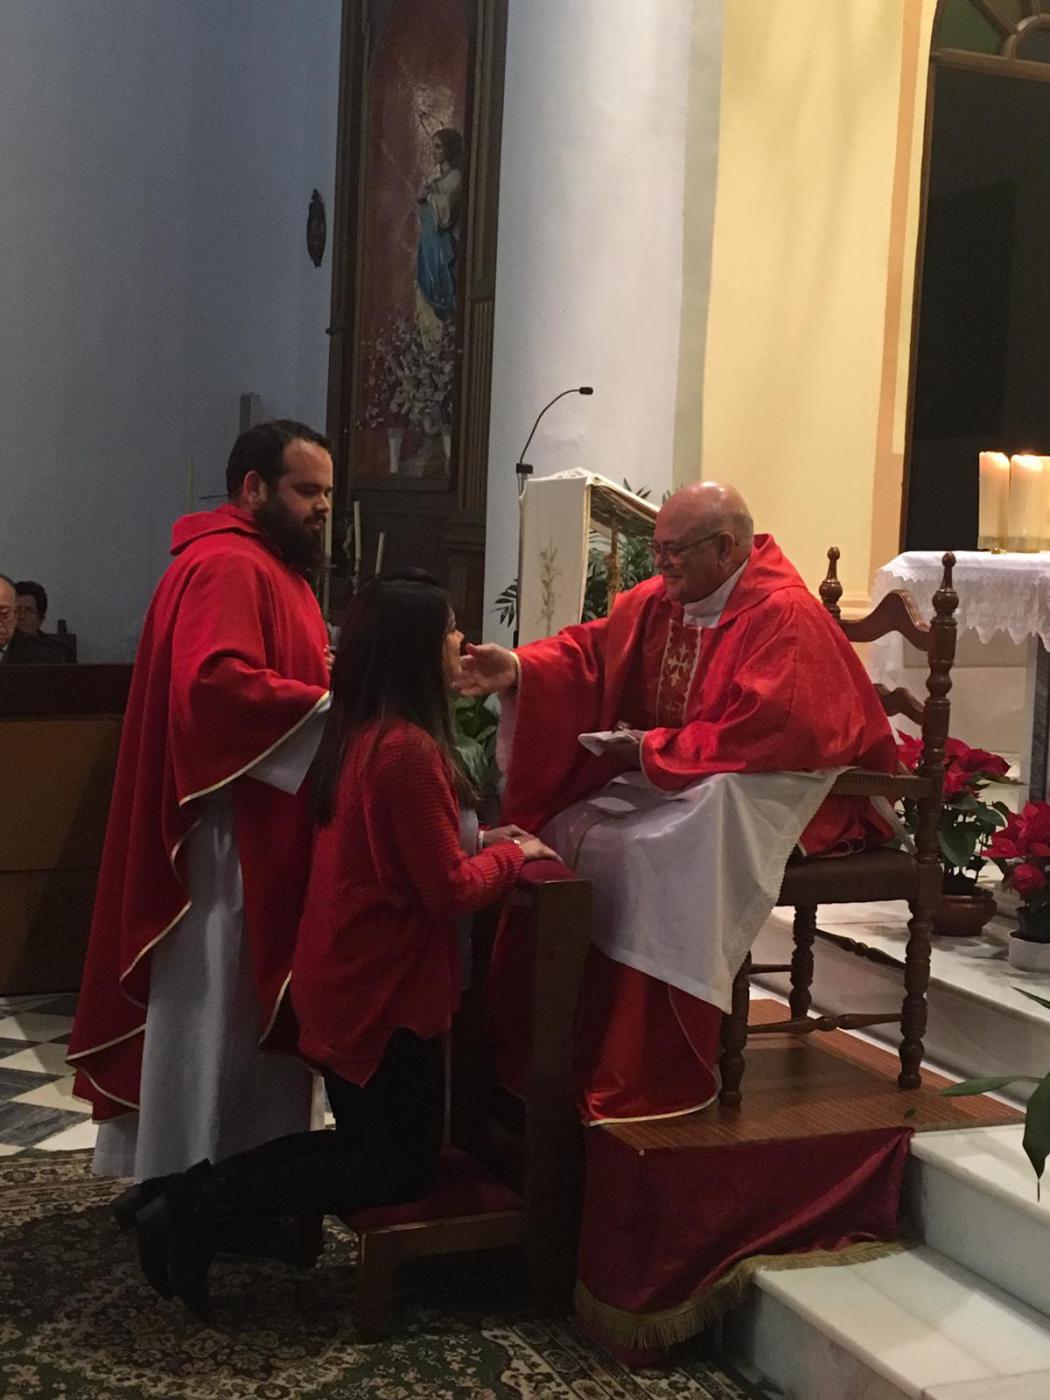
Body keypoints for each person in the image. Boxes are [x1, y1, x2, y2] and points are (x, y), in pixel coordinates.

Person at [120, 572, 553, 1317]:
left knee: (364, 1147)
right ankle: (195, 1206)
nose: (461, 640)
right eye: (450, 628)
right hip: (379, 988)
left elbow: (409, 858)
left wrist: (486, 841)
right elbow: (447, 890)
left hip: (348, 970)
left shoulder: (363, 731)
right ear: (416, 649)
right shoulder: (406, 751)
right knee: (394, 1168)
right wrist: (516, 855)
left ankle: (183, 1197)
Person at [458, 482, 897, 1124]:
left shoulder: (783, 613)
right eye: (656, 550)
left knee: (661, 846)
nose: (660, 566)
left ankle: (651, 1054)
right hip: (684, 767)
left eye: (673, 552)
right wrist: (520, 668)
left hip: (794, 785)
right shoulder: (665, 599)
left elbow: (782, 727)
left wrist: (656, 750)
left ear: (724, 548)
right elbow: (593, 649)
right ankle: (572, 1040)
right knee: (571, 825)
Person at [68, 420, 334, 1186]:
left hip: (257, 819)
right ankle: (194, 1184)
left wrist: (322, 679)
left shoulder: (265, 565)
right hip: (224, 839)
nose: (321, 507)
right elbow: (214, 689)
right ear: (253, 489)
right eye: (306, 490)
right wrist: (336, 703)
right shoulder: (228, 566)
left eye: (327, 493)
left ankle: (233, 1179)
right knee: (216, 1016)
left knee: (234, 1022)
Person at [0, 575, 67, 662]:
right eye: (17, 609)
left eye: (28, 610)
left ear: (41, 619)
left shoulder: (50, 654)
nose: (21, 616)